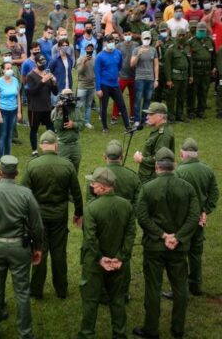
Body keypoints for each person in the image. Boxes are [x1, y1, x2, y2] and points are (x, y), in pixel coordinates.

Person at [0, 155, 43, 339]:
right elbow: (37, 226)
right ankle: (25, 333)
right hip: (20, 246)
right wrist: (38, 248)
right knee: (22, 292)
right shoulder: (26, 194)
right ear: (17, 172)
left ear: (1, 172)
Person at [133, 147, 199, 339]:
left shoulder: (147, 188)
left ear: (156, 167)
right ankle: (178, 328)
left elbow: (142, 218)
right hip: (178, 247)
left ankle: (151, 329)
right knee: (180, 288)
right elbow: (194, 216)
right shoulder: (187, 188)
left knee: (153, 287)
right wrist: (177, 237)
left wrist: (163, 236)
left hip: (154, 247)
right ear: (175, 165)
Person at [22, 131, 83, 299]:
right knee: (59, 253)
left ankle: (36, 290)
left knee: (39, 250)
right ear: (56, 145)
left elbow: (24, 194)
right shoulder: (67, 165)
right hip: (59, 215)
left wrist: (25, 217)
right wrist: (78, 212)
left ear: (41, 145)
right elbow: (76, 192)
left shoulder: (32, 165)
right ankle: (61, 290)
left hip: (38, 215)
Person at [76, 167, 135, 339]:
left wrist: (101, 259)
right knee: (118, 300)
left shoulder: (92, 208)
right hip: (119, 263)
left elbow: (90, 239)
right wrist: (120, 257)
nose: (91, 186)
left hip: (94, 264)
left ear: (102, 187)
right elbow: (130, 234)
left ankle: (86, 334)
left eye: (93, 183)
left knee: (90, 300)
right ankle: (119, 334)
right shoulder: (126, 206)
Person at [175, 138, 219, 296]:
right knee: (195, 253)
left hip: (183, 221)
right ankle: (195, 285)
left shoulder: (178, 173)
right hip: (199, 220)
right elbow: (214, 194)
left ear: (182, 154)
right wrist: (205, 211)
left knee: (180, 254)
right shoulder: (207, 170)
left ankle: (180, 288)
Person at [95, 35, 131, 133]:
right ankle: (105, 127)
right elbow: (97, 73)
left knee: (122, 105)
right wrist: (98, 88)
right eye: (109, 41)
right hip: (104, 85)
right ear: (105, 43)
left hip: (115, 84)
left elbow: (119, 66)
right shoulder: (100, 56)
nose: (112, 43)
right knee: (104, 107)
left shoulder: (118, 53)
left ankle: (128, 127)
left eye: (113, 41)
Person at [133, 102, 175, 183]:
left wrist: (142, 159)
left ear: (160, 116)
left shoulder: (163, 134)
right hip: (149, 175)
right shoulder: (159, 130)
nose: (147, 117)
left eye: (151, 114)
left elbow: (160, 159)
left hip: (152, 178)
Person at [26, 54, 57, 155]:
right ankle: (34, 150)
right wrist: (42, 81)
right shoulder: (30, 75)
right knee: (34, 129)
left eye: (44, 63)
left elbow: (55, 92)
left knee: (51, 128)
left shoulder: (48, 74)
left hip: (47, 107)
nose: (42, 65)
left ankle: (52, 147)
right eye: (40, 63)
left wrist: (54, 82)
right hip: (35, 108)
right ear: (36, 63)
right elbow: (32, 92)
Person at [0, 62, 22, 161]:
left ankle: (7, 156)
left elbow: (18, 96)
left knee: (9, 135)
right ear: (3, 70)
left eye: (11, 68)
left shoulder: (15, 81)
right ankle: (0, 158)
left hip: (13, 111)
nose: (10, 70)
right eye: (7, 68)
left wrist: (19, 112)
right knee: (3, 135)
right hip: (2, 111)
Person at [51, 88, 84, 173]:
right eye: (67, 95)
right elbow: (57, 127)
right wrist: (60, 112)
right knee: (62, 170)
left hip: (75, 145)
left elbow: (82, 125)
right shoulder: (57, 110)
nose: (70, 97)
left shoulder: (76, 110)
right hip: (63, 146)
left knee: (75, 170)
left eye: (71, 95)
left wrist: (74, 124)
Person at [187, 22, 215, 119]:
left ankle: (201, 110)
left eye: (203, 31)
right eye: (200, 31)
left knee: (204, 91)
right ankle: (191, 110)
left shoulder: (210, 41)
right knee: (193, 91)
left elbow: (213, 55)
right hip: (195, 70)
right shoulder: (191, 41)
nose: (201, 32)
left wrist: (214, 67)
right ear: (196, 30)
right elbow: (188, 58)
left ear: (206, 31)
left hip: (206, 70)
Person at [131, 31, 159, 127]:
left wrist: (156, 79)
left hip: (150, 78)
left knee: (147, 99)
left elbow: (156, 65)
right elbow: (132, 64)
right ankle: (137, 120)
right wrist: (139, 54)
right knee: (138, 100)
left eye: (148, 38)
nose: (147, 40)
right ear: (141, 39)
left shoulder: (153, 50)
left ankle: (144, 119)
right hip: (139, 78)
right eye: (145, 38)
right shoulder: (136, 50)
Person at [164, 29, 192, 122]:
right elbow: (167, 65)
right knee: (172, 97)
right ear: (176, 36)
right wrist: (168, 79)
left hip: (184, 77)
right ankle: (171, 116)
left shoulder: (187, 48)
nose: (181, 37)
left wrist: (191, 75)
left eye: (183, 35)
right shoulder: (171, 49)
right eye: (180, 35)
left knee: (182, 96)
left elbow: (190, 63)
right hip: (175, 77)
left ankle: (180, 114)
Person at [76, 43, 96, 129]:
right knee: (79, 105)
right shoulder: (80, 59)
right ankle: (78, 122)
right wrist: (84, 62)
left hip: (91, 86)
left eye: (91, 48)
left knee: (88, 105)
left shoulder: (95, 60)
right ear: (85, 49)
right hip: (82, 86)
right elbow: (79, 72)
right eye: (88, 48)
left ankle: (86, 122)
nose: (89, 50)